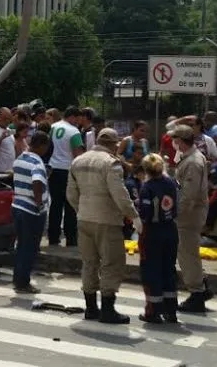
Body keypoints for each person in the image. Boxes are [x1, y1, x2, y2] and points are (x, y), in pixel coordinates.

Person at [69, 128, 141, 324]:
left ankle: (91, 308)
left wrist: (82, 209)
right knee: (111, 263)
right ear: (113, 144)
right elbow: (120, 193)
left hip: (84, 219)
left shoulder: (78, 161)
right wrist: (133, 215)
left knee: (89, 263)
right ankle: (108, 309)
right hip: (107, 220)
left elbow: (71, 194)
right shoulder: (111, 163)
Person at [171, 125, 213, 313]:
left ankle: (197, 293)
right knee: (189, 252)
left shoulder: (193, 162)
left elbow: (188, 195)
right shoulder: (189, 158)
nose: (173, 143)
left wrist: (176, 215)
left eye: (175, 140)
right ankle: (202, 285)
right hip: (190, 213)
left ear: (180, 140)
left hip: (189, 215)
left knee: (187, 254)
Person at [135, 153, 181, 324]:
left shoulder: (147, 187)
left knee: (151, 271)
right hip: (170, 230)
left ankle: (153, 311)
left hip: (152, 233)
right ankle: (171, 310)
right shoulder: (172, 183)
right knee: (168, 269)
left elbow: (145, 214)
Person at [10, 131, 52, 293]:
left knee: (21, 245)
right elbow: (37, 181)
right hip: (31, 210)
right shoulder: (37, 162)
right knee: (30, 247)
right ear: (42, 145)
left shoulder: (20, 158)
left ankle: (18, 278)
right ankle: (23, 282)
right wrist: (39, 202)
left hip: (18, 205)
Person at [46, 106, 85, 247]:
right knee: (70, 206)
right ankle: (71, 239)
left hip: (52, 170)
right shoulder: (74, 131)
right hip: (68, 171)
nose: (79, 122)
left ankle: (53, 238)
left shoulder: (53, 127)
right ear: (73, 116)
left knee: (55, 205)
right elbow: (78, 154)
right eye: (78, 119)